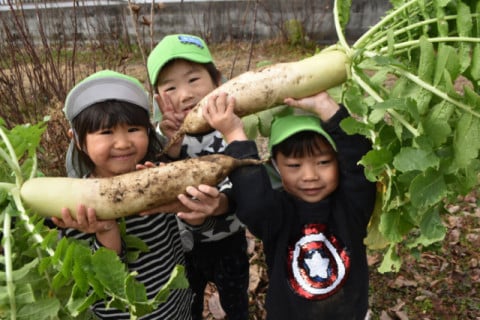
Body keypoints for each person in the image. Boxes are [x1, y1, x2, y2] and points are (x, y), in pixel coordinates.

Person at [202, 91, 377, 319]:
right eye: (294, 165)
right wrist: (235, 134)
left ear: (339, 161)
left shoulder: (352, 204)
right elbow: (253, 201)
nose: (310, 175)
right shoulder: (276, 212)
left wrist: (327, 108)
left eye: (323, 162)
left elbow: (359, 159)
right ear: (275, 166)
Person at [51, 70, 193, 319]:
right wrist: (105, 230)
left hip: (175, 307)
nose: (123, 142)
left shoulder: (157, 177)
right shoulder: (77, 202)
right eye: (106, 132)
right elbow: (97, 280)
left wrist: (174, 154)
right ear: (78, 140)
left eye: (133, 129)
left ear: (148, 131)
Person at [146, 34, 250, 320]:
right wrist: (171, 147)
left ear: (218, 81)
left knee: (236, 303)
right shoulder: (161, 137)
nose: (185, 94)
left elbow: (245, 180)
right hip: (182, 246)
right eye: (170, 87)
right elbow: (156, 182)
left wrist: (223, 203)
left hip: (228, 238)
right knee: (187, 303)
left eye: (194, 80)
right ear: (158, 99)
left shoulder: (231, 129)